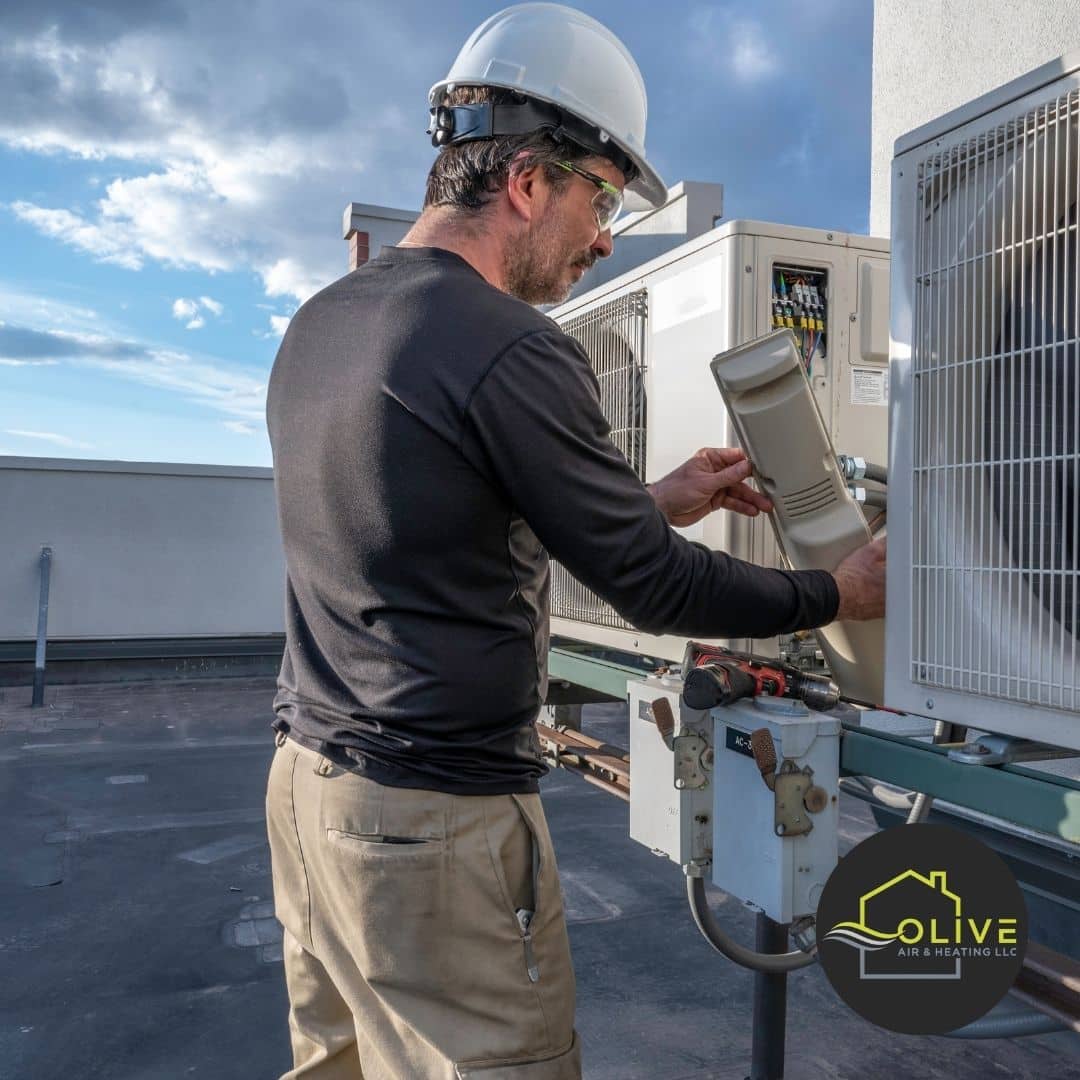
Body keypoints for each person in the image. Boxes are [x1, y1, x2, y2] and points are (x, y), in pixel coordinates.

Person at [264, 4, 886, 1078]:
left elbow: (436, 527)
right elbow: (648, 588)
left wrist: (647, 499)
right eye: (601, 196)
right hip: (431, 830)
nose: (605, 238)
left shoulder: (324, 323)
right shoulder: (510, 346)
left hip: (306, 796)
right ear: (526, 183)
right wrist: (833, 593)